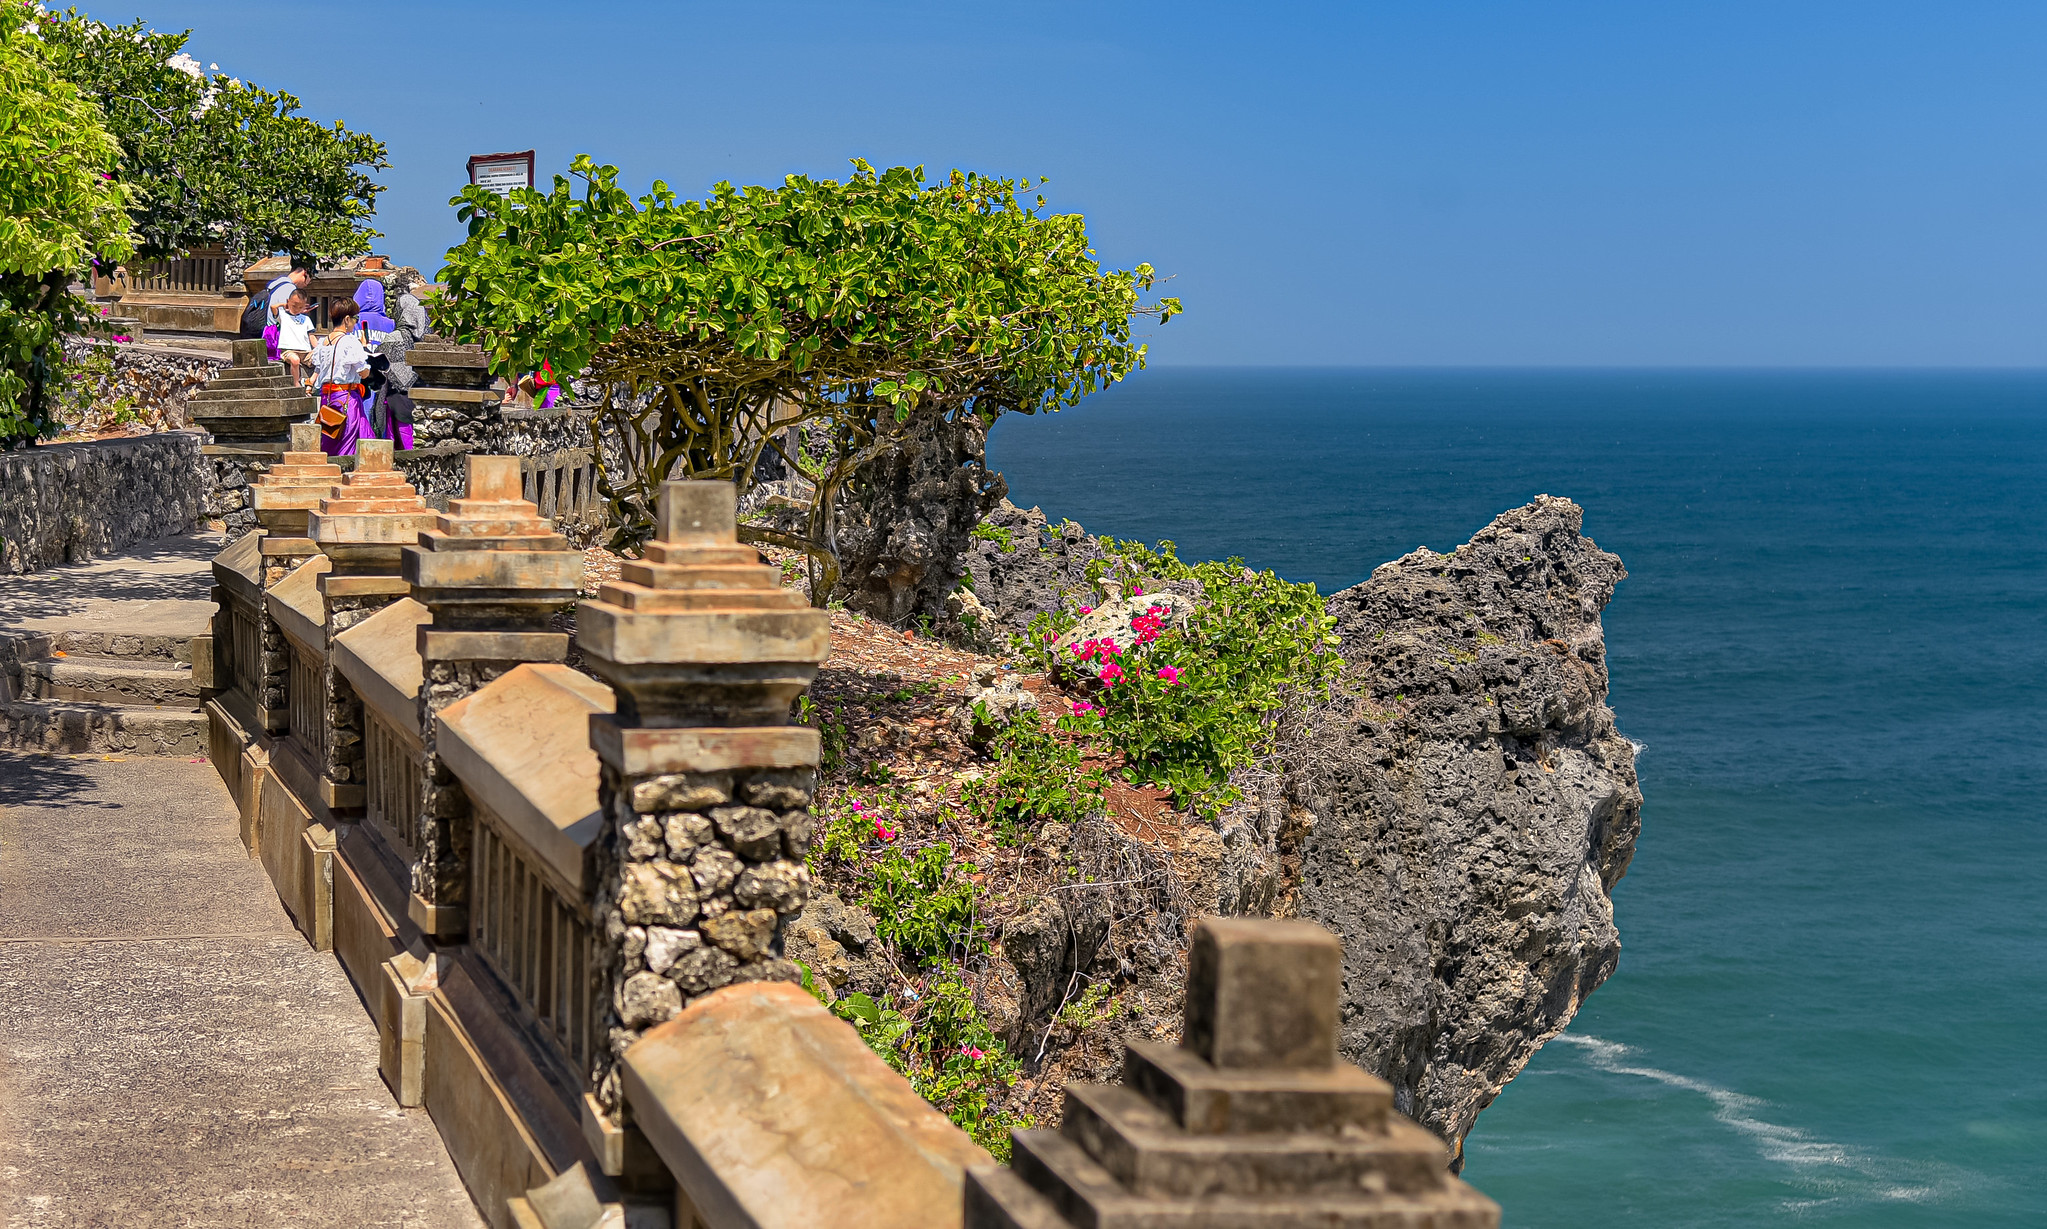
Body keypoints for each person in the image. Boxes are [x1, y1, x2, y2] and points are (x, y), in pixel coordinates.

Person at [308, 297, 373, 455]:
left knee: (330, 440)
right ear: (346, 319)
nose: (356, 322)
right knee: (350, 443)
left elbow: (318, 369)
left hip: (327, 399)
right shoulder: (350, 342)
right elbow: (363, 373)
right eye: (355, 318)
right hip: (347, 399)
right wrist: (365, 350)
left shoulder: (323, 343)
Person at [380, 271, 430, 450]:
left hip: (396, 399)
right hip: (421, 398)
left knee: (397, 445)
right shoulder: (427, 340)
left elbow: (379, 364)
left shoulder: (394, 337)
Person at [351, 279, 399, 443]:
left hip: (359, 376)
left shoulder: (353, 321)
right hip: (383, 377)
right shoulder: (390, 324)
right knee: (381, 417)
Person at [273, 289, 316, 385]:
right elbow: (273, 307)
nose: (296, 309)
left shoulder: (306, 319)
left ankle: (311, 382)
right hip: (288, 350)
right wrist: (283, 305)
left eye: (300, 307)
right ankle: (296, 383)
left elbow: (311, 336)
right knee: (295, 360)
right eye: (294, 306)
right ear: (288, 302)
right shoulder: (283, 316)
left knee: (322, 359)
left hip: (305, 351)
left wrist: (318, 349)